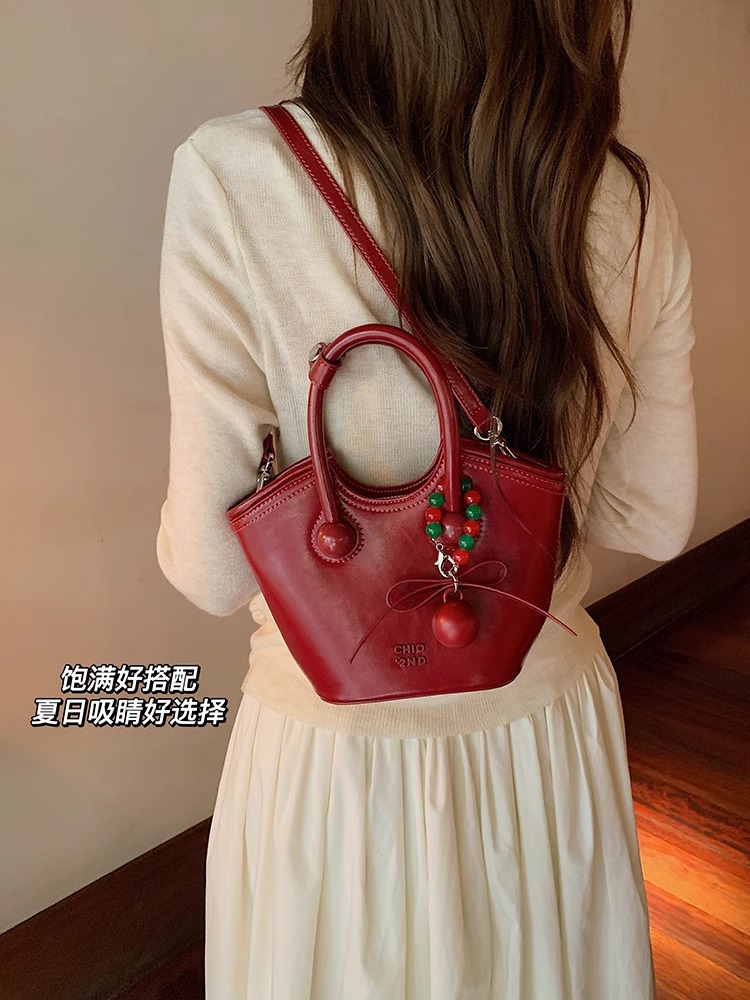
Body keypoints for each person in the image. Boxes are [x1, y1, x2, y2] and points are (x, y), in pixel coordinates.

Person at [156, 2, 697, 997]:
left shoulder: (234, 173)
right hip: (544, 735)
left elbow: (210, 569)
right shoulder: (625, 194)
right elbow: (654, 517)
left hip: (336, 761)